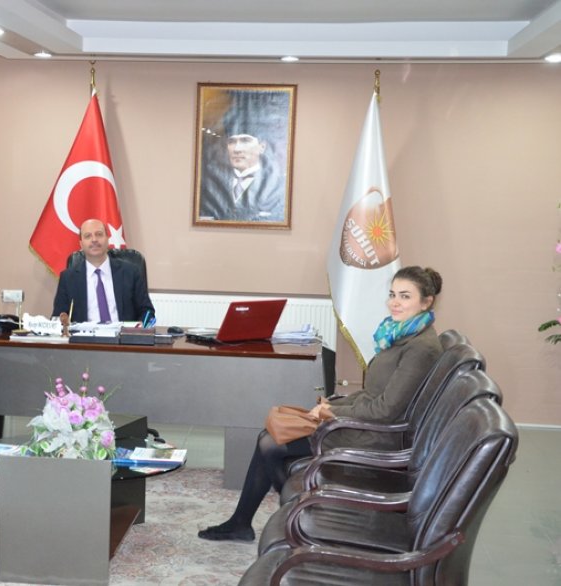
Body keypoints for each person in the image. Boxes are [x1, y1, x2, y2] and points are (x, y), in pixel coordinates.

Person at [198, 266, 443, 542]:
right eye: (392, 294)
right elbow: (373, 394)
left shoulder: (420, 348)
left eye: (405, 296)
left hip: (376, 436)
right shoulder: (401, 334)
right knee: (272, 436)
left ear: (426, 302)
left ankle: (297, 518)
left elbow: (385, 410)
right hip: (362, 423)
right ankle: (261, 520)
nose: (394, 302)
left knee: (271, 444)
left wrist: (333, 412)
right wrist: (335, 403)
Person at [52, 218, 155, 323]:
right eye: (88, 236)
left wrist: (138, 329)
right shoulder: (68, 278)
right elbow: (58, 317)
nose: (94, 240)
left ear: (107, 239)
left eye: (99, 234)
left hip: (123, 333)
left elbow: (148, 313)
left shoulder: (131, 272)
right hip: (84, 333)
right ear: (81, 244)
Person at [198, 129, 286, 223]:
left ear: (262, 147)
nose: (237, 149)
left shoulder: (280, 185)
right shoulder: (209, 183)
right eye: (231, 142)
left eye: (245, 141)